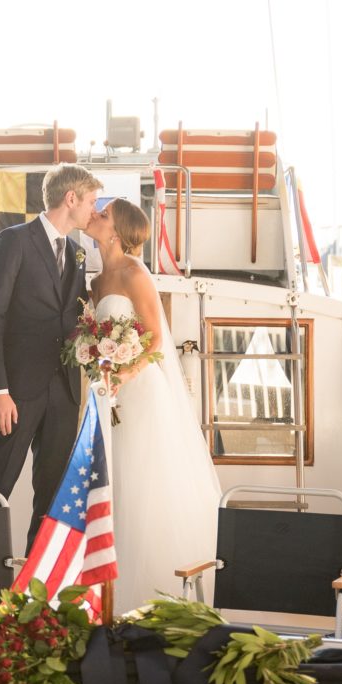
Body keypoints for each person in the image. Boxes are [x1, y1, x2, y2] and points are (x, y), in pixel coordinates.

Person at [86, 198, 220, 614]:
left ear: (117, 230)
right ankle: (110, 592)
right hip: (106, 390)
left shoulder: (134, 272)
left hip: (140, 390)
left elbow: (156, 339)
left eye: (103, 214)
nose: (96, 215)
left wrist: (125, 374)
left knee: (144, 482)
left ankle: (154, 593)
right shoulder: (94, 282)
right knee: (115, 482)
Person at [0, 163, 103, 553]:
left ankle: (36, 588)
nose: (94, 210)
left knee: (52, 494)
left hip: (64, 393)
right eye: (92, 201)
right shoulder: (13, 241)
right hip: (16, 392)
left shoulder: (79, 253)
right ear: (71, 199)